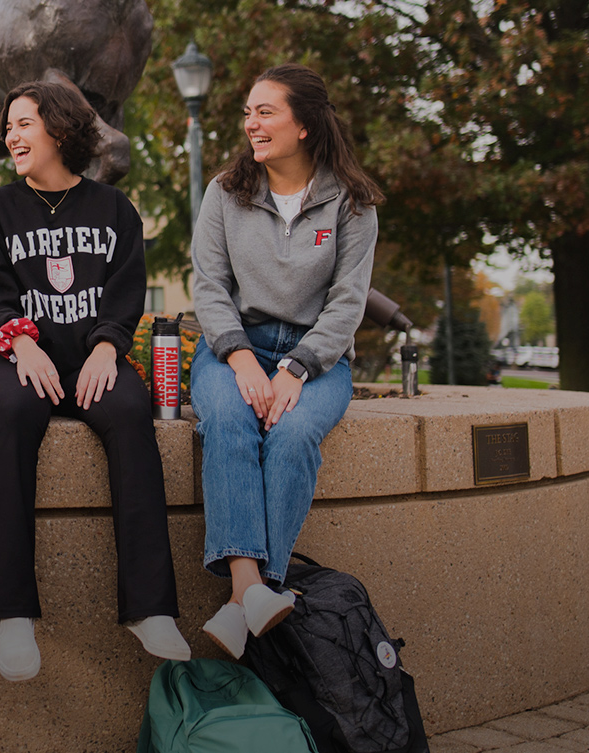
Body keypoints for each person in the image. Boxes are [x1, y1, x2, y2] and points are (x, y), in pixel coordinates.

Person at [0, 82, 188, 682]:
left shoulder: (114, 210)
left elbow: (124, 293)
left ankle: (150, 607)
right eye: (8, 125)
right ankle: (13, 613)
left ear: (59, 131)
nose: (10, 136)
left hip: (92, 357)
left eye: (23, 124)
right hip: (12, 355)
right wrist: (23, 342)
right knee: (15, 412)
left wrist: (108, 347)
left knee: (130, 412)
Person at [189, 64, 383, 659]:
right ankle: (253, 585)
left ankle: (240, 602)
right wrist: (242, 359)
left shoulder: (352, 204)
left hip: (317, 358)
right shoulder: (225, 192)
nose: (252, 123)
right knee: (228, 421)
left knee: (293, 433)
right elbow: (208, 287)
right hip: (232, 346)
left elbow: (348, 304)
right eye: (248, 112)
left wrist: (296, 368)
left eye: (265, 111)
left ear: (304, 124)